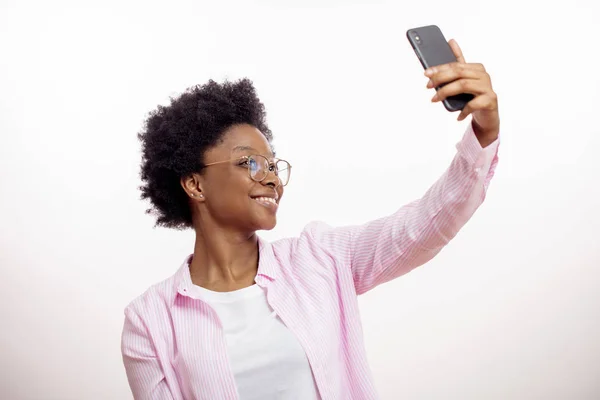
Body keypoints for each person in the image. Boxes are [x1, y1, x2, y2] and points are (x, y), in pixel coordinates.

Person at [121, 39, 500, 400]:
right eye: (250, 163)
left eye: (272, 164)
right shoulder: (149, 320)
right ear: (194, 184)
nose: (270, 176)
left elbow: (421, 227)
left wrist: (484, 132)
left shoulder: (319, 259)